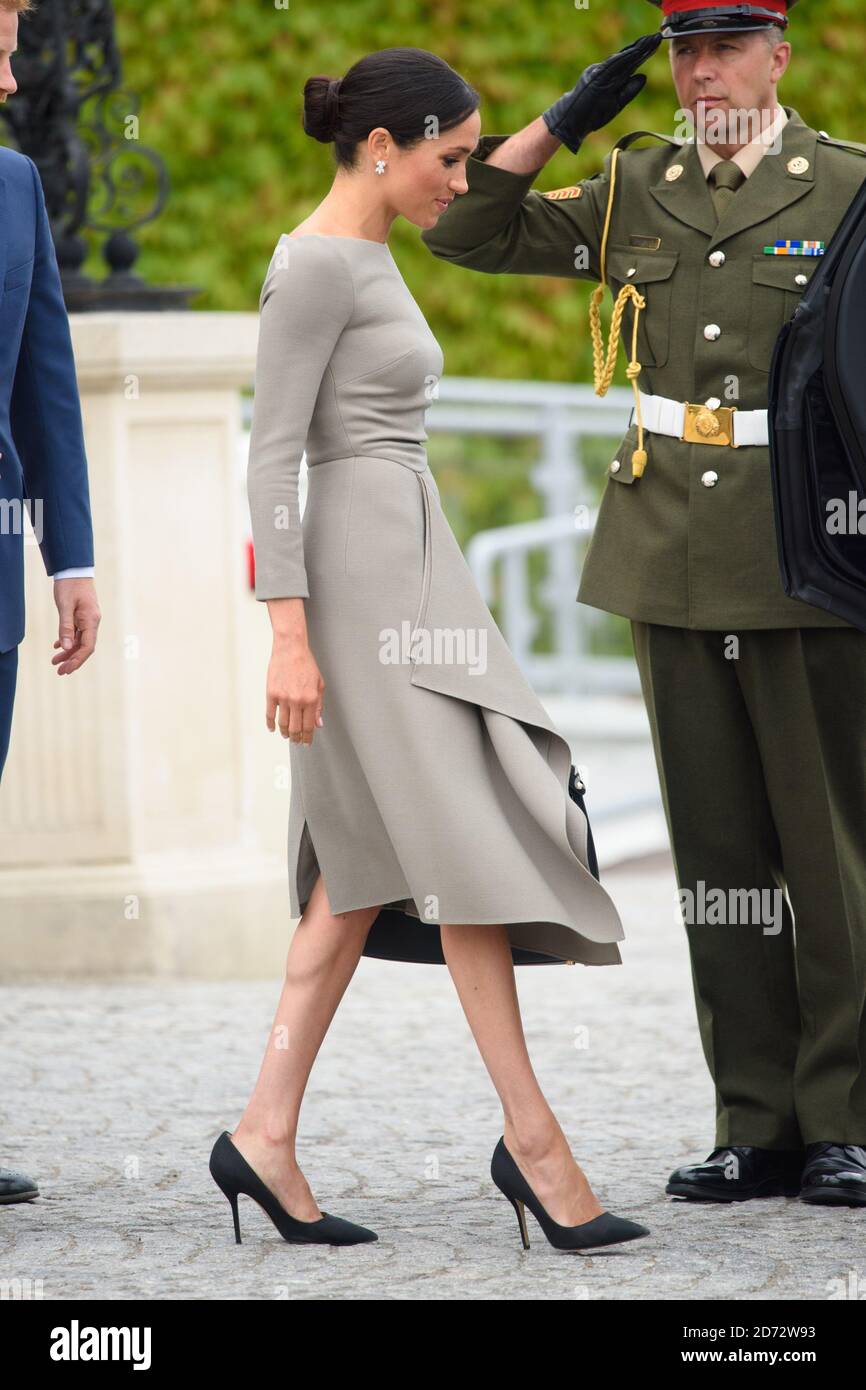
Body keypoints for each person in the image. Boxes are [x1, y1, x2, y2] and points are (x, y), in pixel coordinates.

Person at [422, 0, 866, 1207]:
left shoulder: (846, 188)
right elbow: (465, 230)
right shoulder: (632, 183)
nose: (702, 69)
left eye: (725, 45)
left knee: (824, 854)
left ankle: (843, 1119)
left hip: (804, 552)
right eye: (682, 51)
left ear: (778, 55)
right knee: (715, 851)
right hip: (667, 550)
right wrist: (561, 120)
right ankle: (753, 1120)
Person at [208, 46, 650, 1253]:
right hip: (356, 593)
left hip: (407, 561)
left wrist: (561, 121)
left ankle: (263, 1134)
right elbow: (271, 457)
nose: (462, 179)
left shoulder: (371, 250)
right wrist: (288, 638)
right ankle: (537, 1145)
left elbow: (481, 204)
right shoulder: (309, 265)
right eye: (450, 156)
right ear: (385, 145)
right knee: (458, 842)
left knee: (355, 880)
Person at [0, 1, 100, 1206]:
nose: (15, 72)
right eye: (2, 45)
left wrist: (69, 558)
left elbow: (46, 375)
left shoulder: (19, 183)